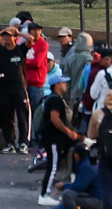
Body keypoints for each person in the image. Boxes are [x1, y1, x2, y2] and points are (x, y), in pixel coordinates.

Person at [38, 73, 82, 206]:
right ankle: (44, 195)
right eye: (63, 82)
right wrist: (67, 132)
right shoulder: (55, 100)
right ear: (56, 85)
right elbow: (54, 119)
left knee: (54, 165)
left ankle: (46, 193)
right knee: (53, 166)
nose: (66, 85)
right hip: (52, 138)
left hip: (52, 137)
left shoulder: (53, 98)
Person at [0, 26, 29, 153]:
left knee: (22, 116)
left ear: (15, 38)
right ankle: (10, 143)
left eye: (9, 35)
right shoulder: (1, 50)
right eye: (5, 36)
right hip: (4, 88)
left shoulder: (20, 49)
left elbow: (31, 39)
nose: (6, 37)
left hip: (19, 87)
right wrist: (1, 31)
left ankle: (23, 143)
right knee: (6, 117)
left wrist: (17, 32)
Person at [52, 144, 104, 209]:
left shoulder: (87, 165)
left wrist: (63, 186)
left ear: (76, 155)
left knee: (68, 195)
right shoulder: (87, 162)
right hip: (92, 196)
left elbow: (79, 187)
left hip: (97, 201)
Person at [22, 22, 50, 112]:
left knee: (37, 110)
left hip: (36, 83)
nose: (37, 32)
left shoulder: (43, 44)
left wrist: (24, 62)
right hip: (25, 81)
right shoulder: (26, 44)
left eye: (39, 30)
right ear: (29, 32)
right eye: (34, 30)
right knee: (26, 110)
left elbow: (37, 63)